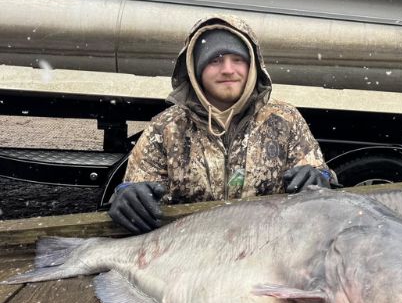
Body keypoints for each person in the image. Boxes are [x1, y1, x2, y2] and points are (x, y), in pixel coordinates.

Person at [109, 14, 335, 233]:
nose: (228, 69)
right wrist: (129, 195)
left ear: (252, 66)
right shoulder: (165, 127)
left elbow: (316, 178)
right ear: (195, 69)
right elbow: (141, 185)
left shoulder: (286, 120)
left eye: (237, 60)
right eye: (215, 60)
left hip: (265, 253)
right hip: (190, 253)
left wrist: (320, 180)